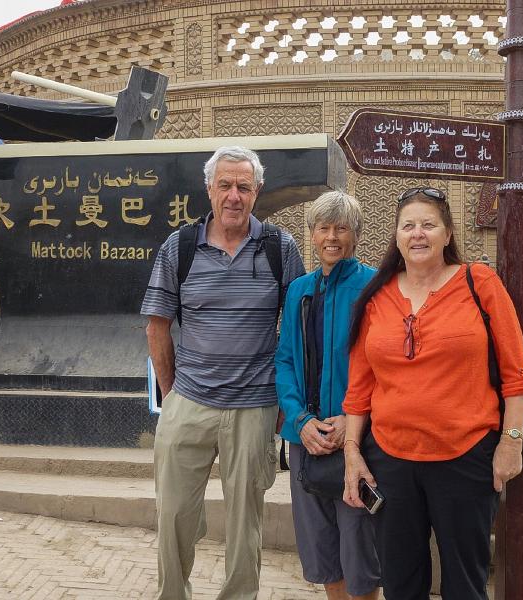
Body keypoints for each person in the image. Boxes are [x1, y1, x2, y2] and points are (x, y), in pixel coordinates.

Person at [341, 187, 523, 600]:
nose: (418, 234)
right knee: (400, 584)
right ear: (396, 237)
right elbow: (359, 390)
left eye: (428, 225)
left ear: (447, 234)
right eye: (408, 226)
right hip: (390, 461)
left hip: (465, 458)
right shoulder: (376, 298)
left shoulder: (479, 283)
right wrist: (352, 454)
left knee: (465, 585)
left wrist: (511, 442)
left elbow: (516, 374)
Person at [141, 146, 305, 600]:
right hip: (189, 403)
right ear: (209, 189)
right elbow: (157, 325)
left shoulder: (280, 248)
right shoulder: (180, 246)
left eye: (243, 187)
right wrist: (172, 395)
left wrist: (285, 401)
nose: (234, 195)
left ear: (257, 192)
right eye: (225, 185)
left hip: (254, 407)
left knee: (245, 524)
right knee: (173, 514)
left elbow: (296, 328)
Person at [275, 191, 380, 600]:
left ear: (356, 235)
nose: (332, 237)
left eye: (341, 228)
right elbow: (285, 359)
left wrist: (352, 421)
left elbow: (386, 366)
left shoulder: (375, 286)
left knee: (362, 557)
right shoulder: (300, 290)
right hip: (307, 440)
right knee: (322, 553)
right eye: (324, 228)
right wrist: (299, 419)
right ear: (313, 234)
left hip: (359, 442)